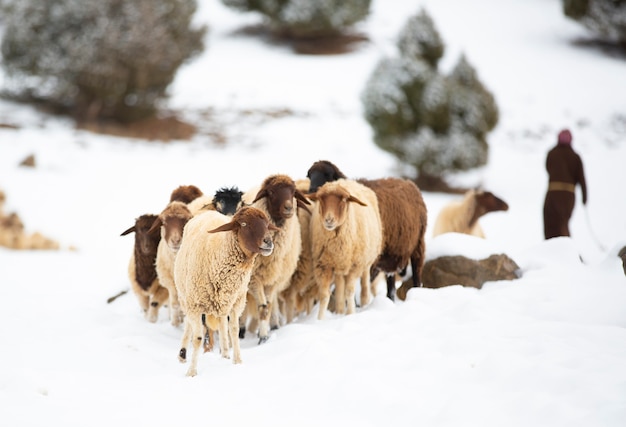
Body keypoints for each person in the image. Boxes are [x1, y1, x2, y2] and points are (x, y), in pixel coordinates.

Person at [543, 129, 588, 239]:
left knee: (550, 222)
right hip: (569, 195)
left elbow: (548, 168)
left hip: (553, 192)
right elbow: (581, 178)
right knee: (563, 223)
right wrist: (584, 197)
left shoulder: (551, 153)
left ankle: (552, 249)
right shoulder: (575, 157)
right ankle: (565, 249)